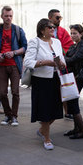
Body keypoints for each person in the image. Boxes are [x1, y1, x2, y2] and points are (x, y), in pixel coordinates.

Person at [23, 18, 66, 150]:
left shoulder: (57, 42)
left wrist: (62, 64)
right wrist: (46, 62)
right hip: (41, 80)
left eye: (53, 27)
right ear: (42, 30)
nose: (53, 29)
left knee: (56, 109)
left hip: (55, 78)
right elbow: (28, 62)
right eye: (50, 27)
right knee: (45, 110)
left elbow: (62, 60)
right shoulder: (35, 42)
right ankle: (46, 138)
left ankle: (42, 130)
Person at [0, 6, 27, 127]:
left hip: (14, 65)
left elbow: (25, 47)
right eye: (6, 16)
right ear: (2, 16)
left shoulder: (18, 30)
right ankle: (8, 114)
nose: (8, 18)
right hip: (1, 65)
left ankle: (14, 116)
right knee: (2, 93)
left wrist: (13, 52)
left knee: (15, 92)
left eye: (10, 16)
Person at [63, 24, 83, 139]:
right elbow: (67, 56)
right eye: (71, 33)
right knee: (71, 103)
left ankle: (82, 131)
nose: (72, 35)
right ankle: (76, 129)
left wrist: (63, 59)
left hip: (78, 78)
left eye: (75, 33)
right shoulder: (75, 46)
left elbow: (71, 59)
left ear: (81, 34)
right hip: (72, 77)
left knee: (73, 104)